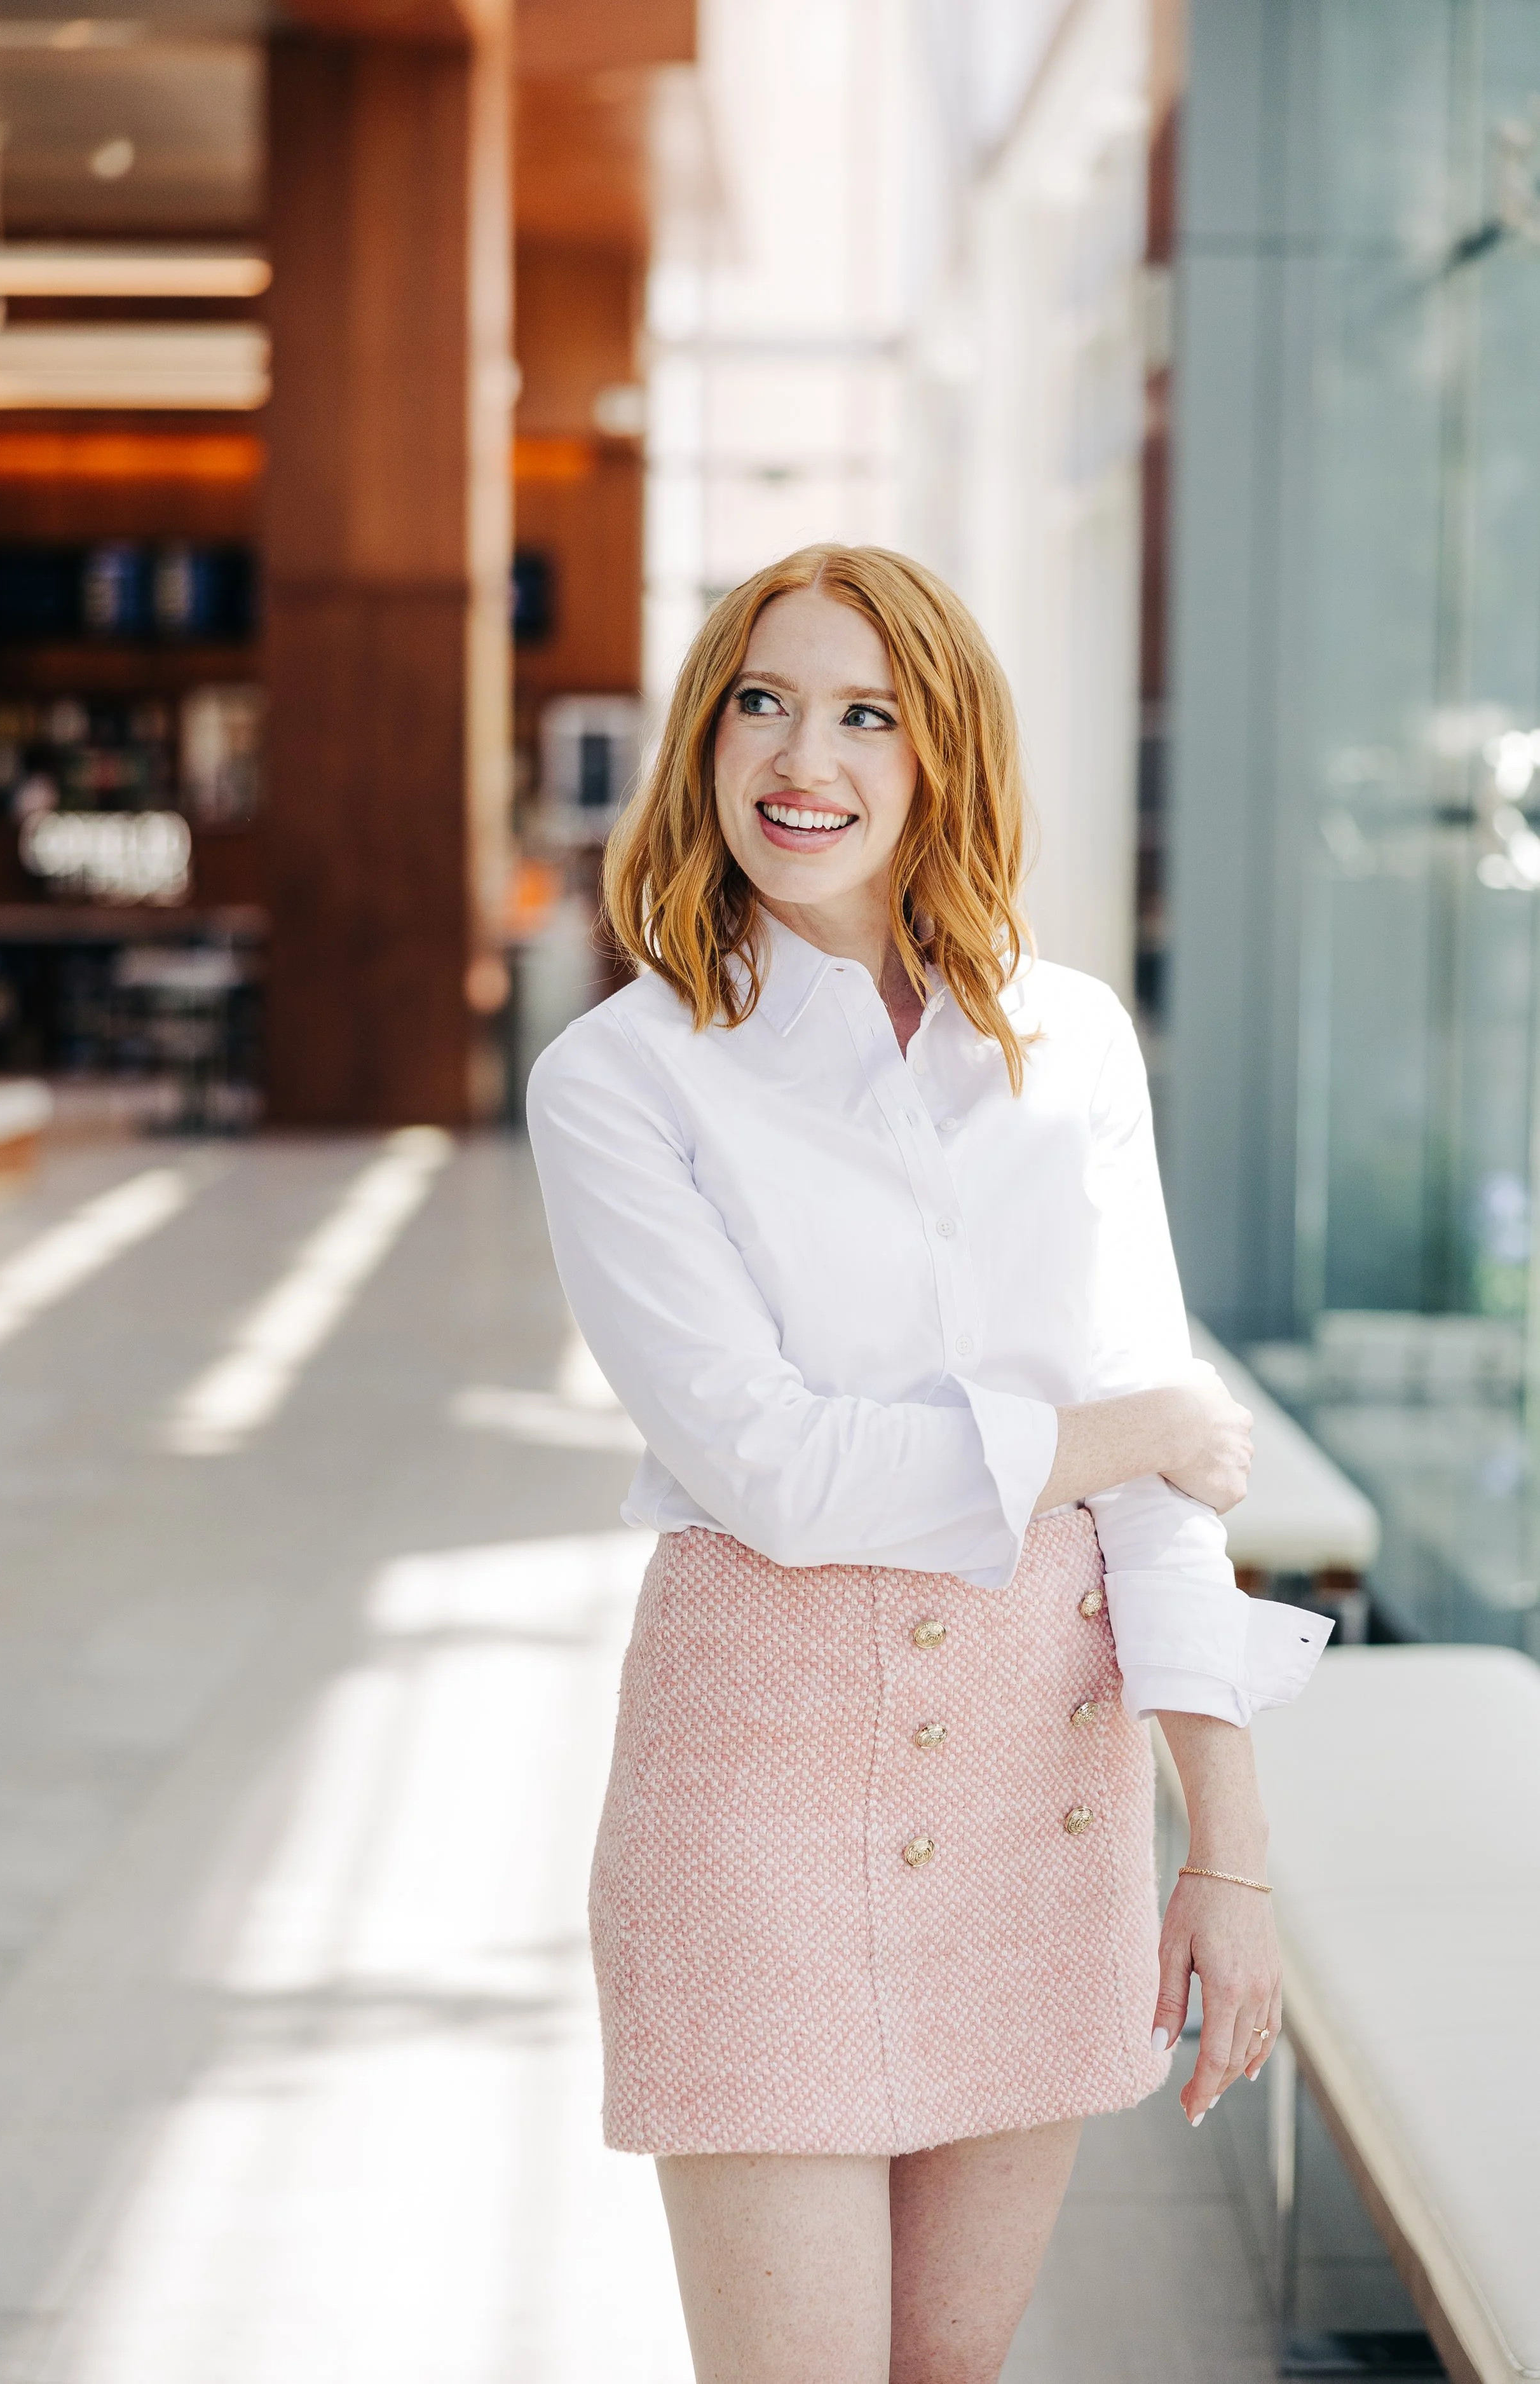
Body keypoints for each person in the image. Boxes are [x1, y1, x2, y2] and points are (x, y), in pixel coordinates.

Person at [527, 544, 1330, 2384]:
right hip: (760, 1774)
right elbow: (777, 1471)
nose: (802, 757)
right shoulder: (622, 1078)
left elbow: (1158, 1508)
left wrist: (1229, 1853)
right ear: (704, 736)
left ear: (942, 751)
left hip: (1039, 1779)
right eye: (762, 700)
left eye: (865, 712)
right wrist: (1119, 1423)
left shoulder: (1070, 1044)